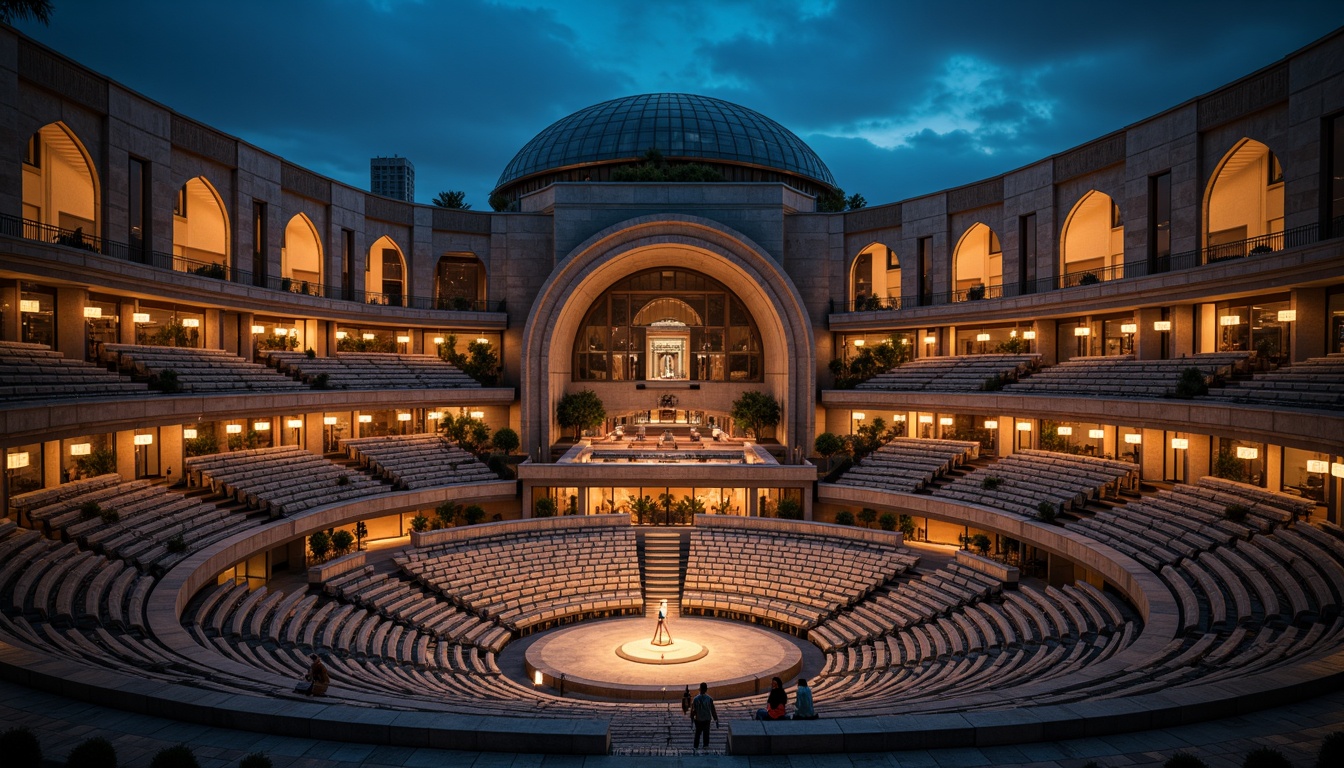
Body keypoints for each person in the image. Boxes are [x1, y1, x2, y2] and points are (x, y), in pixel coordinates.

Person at [690, 682, 718, 750]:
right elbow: (713, 710)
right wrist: (716, 719)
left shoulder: (695, 699)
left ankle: (695, 747)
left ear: (700, 689)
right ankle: (705, 746)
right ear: (706, 690)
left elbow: (693, 711)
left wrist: (692, 719)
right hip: (707, 719)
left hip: (698, 719)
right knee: (706, 734)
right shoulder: (709, 699)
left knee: (697, 734)